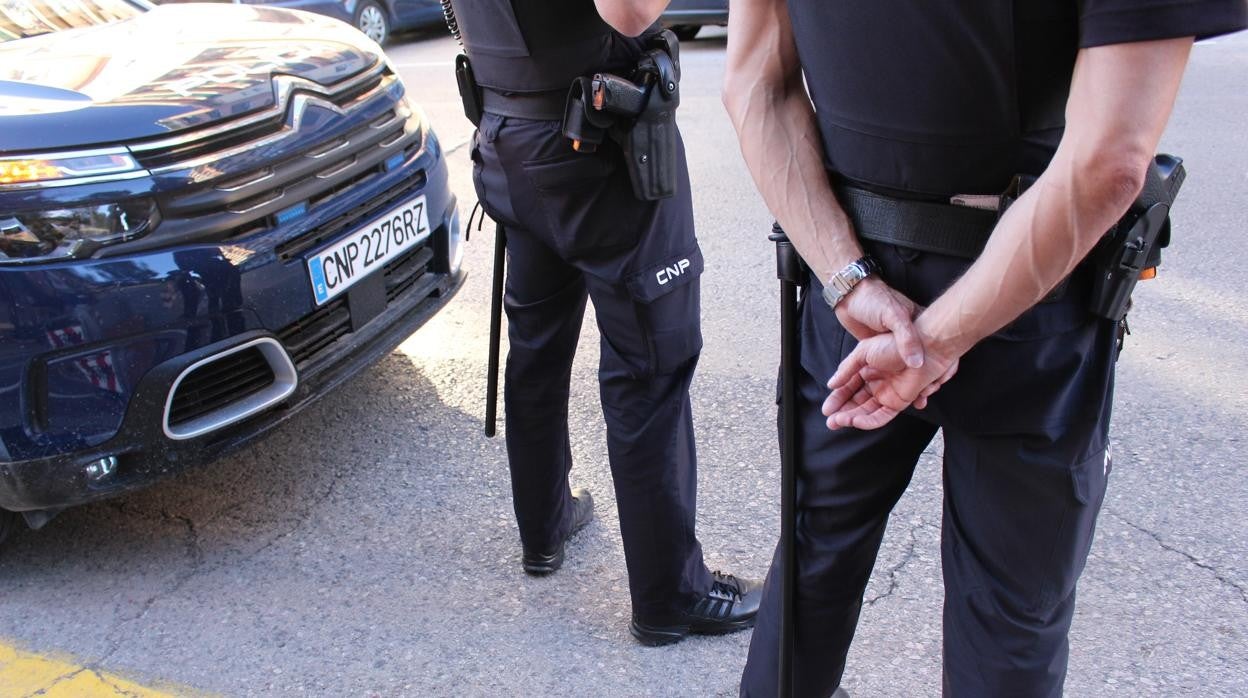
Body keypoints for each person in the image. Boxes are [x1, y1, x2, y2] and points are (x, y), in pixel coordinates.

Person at [722, 0, 1246, 695]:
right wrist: (933, 342)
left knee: (811, 564)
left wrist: (850, 282)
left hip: (855, 300)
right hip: (1030, 304)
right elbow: (1111, 162)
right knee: (1009, 620)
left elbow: (755, 83)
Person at [448, 0, 760, 645]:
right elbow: (628, 11)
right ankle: (670, 596)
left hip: (509, 140)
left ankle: (545, 527)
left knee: (534, 344)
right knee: (651, 369)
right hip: (599, 157)